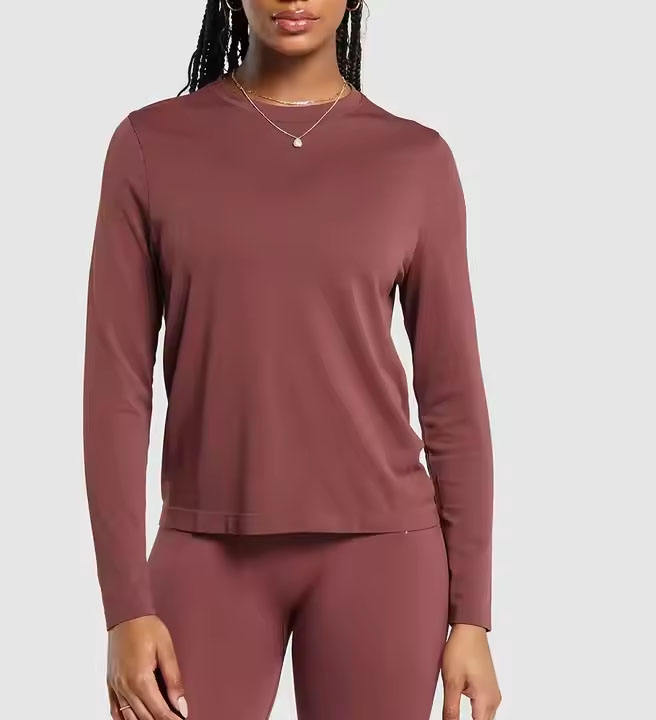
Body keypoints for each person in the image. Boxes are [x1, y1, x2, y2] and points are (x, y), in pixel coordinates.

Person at [83, 1, 502, 718]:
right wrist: (124, 607)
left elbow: (453, 397)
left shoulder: (415, 160)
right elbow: (117, 389)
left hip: (385, 553)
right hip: (205, 546)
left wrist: (473, 616)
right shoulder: (151, 146)